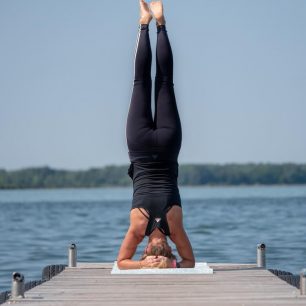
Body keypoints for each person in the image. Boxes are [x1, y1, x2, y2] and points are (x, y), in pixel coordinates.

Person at [117, 0, 195, 269]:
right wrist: (170, 267)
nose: (156, 252)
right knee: (165, 82)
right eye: (163, 254)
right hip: (168, 144)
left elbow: (122, 260)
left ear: (146, 249)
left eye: (151, 253)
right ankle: (160, 24)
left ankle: (143, 24)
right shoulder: (175, 230)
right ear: (170, 250)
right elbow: (190, 261)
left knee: (141, 83)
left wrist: (143, 266)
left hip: (138, 146)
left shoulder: (138, 229)